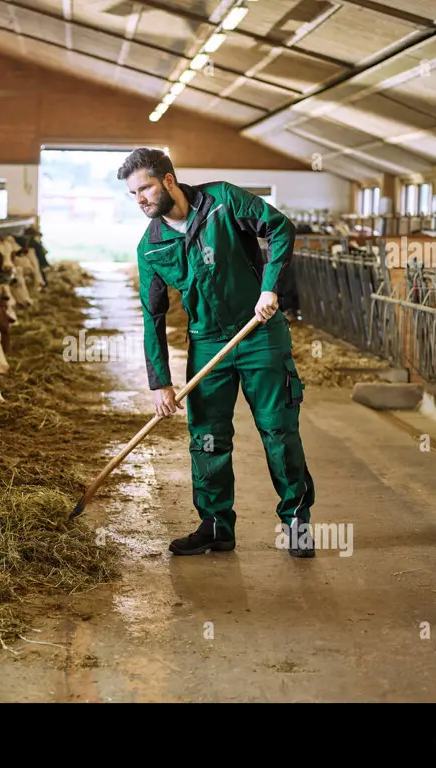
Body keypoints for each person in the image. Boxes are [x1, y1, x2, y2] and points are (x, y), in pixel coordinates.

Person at [117, 147, 316, 557]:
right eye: (133, 193)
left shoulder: (223, 202)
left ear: (168, 180)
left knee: (278, 429)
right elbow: (152, 317)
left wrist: (270, 286)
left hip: (259, 330)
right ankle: (215, 525)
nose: (140, 199)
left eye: (145, 188)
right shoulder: (151, 248)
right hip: (207, 341)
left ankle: (296, 521)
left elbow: (279, 227)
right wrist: (160, 383)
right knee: (207, 437)